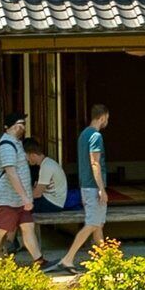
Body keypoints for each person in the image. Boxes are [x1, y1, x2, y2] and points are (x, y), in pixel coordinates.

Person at [62, 101, 114, 267]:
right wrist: (101, 189)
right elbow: (95, 163)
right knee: (92, 224)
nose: (107, 122)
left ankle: (105, 262)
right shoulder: (96, 136)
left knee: (98, 225)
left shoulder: (84, 134)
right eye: (107, 118)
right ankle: (68, 258)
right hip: (93, 187)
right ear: (102, 117)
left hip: (85, 185)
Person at [0, 112, 38, 265]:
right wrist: (25, 197)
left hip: (18, 200)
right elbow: (11, 173)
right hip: (8, 199)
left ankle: (39, 260)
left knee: (28, 227)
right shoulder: (7, 146)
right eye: (21, 124)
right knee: (0, 230)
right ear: (12, 126)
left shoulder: (16, 143)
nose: (23, 127)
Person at [28, 140, 73, 269]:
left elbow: (37, 194)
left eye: (27, 157)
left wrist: (23, 197)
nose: (27, 160)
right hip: (52, 200)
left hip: (52, 203)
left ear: (32, 154)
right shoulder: (48, 163)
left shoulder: (46, 167)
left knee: (20, 208)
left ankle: (11, 241)